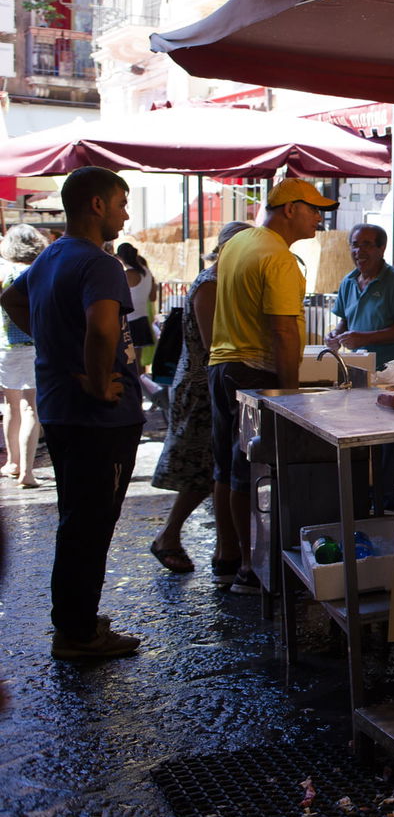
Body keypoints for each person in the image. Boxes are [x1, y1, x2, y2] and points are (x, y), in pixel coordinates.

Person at [0, 167, 144, 660]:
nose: (126, 214)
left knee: (78, 519)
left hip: (63, 409)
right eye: (121, 203)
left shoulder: (51, 254)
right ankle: (78, 634)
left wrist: (55, 342)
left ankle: (76, 619)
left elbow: (11, 299)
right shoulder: (99, 262)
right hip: (98, 419)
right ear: (97, 205)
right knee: (90, 524)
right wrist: (99, 380)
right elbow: (103, 329)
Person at [209, 179, 335, 595]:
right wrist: (292, 396)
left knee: (228, 467)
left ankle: (229, 558)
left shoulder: (238, 243)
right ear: (289, 209)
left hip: (223, 366)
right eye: (314, 209)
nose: (319, 218)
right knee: (251, 471)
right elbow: (282, 331)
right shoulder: (278, 257)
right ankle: (250, 568)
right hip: (254, 371)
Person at [148, 221, 253, 576]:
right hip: (199, 388)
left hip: (209, 384)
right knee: (204, 470)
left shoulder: (225, 282)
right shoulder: (210, 284)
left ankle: (220, 547)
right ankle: (170, 536)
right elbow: (212, 344)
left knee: (212, 469)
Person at [326, 223, 394, 370]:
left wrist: (365, 338)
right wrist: (335, 334)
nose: (359, 251)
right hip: (360, 368)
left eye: (367, 244)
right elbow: (346, 320)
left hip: (392, 371)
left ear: (382, 249)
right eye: (355, 245)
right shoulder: (348, 282)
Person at [0, 224, 49, 488]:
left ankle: (13, 462)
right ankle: (27, 473)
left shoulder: (3, 271)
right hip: (33, 345)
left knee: (10, 405)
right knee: (31, 408)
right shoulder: (38, 272)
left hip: (5, 347)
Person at [116, 242, 155, 374]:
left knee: (129, 361)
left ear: (121, 257)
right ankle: (141, 385)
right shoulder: (147, 272)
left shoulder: (126, 275)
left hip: (129, 320)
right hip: (142, 318)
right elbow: (152, 297)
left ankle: (134, 385)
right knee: (139, 361)